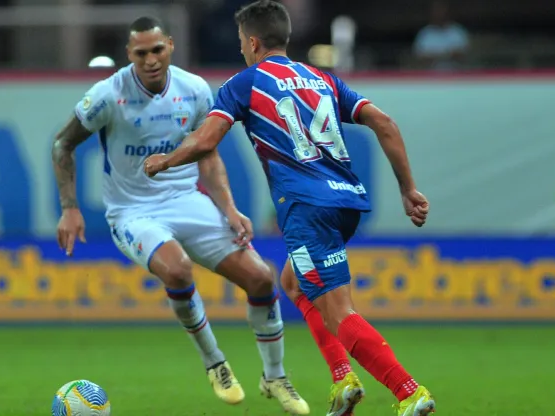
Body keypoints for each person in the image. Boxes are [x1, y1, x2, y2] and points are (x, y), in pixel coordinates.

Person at [143, 1, 436, 415]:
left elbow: (206, 140)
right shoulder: (322, 78)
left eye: (244, 42)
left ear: (253, 41)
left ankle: (409, 393)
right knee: (295, 284)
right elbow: (384, 123)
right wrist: (408, 189)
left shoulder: (245, 83)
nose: (243, 49)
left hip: (306, 207)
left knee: (339, 310)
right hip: (345, 201)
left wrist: (165, 161)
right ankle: (343, 380)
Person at [51, 16, 310, 415]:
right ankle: (215, 364)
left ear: (170, 46)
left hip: (188, 200)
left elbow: (208, 154)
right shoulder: (108, 94)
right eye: (141, 53)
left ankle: (274, 376)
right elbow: (62, 145)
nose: (151, 60)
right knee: (178, 270)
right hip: (132, 211)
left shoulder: (193, 90)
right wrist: (70, 208)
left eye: (157, 50)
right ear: (129, 55)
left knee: (261, 278)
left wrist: (229, 209)